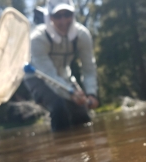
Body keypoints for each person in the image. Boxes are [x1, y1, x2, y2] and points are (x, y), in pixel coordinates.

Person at [23, 0, 99, 131]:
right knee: (59, 107)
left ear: (73, 14)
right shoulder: (37, 38)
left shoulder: (82, 35)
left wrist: (91, 93)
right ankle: (60, 149)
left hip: (64, 75)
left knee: (81, 114)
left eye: (67, 14)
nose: (63, 21)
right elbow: (49, 75)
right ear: (50, 17)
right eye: (58, 16)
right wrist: (71, 94)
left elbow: (89, 68)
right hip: (37, 77)